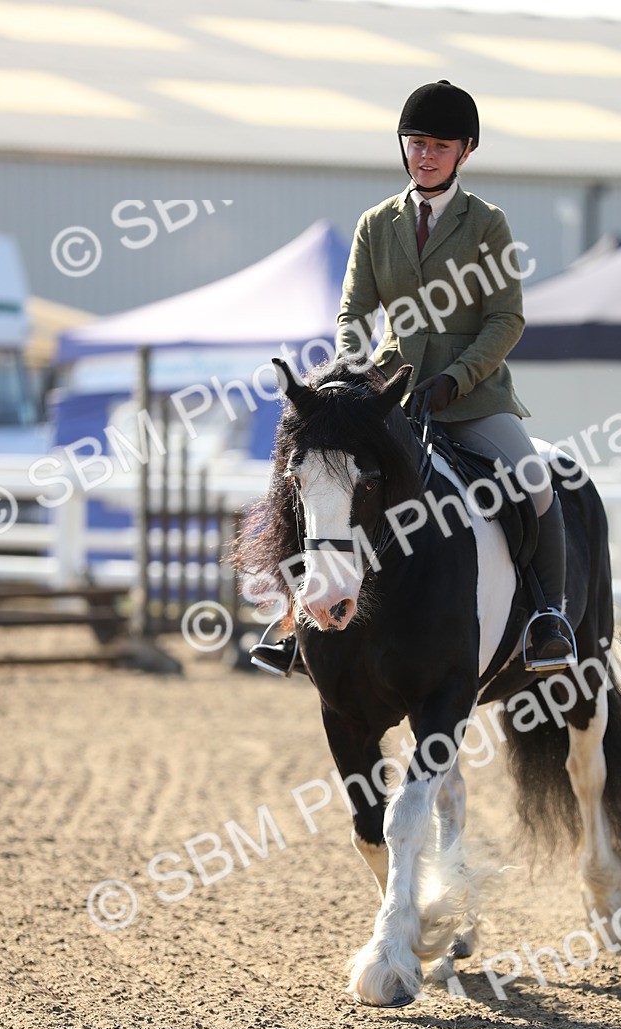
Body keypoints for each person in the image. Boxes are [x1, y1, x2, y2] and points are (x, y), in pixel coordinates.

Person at [251, 80, 575, 677]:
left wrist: (456, 378)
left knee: (535, 483)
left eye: (440, 146)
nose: (425, 155)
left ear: (465, 151)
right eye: (416, 143)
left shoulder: (487, 224)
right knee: (321, 479)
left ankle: (548, 619)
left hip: (471, 398)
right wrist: (352, 376)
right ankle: (294, 612)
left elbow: (507, 318)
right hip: (386, 397)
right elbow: (353, 313)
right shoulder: (376, 223)